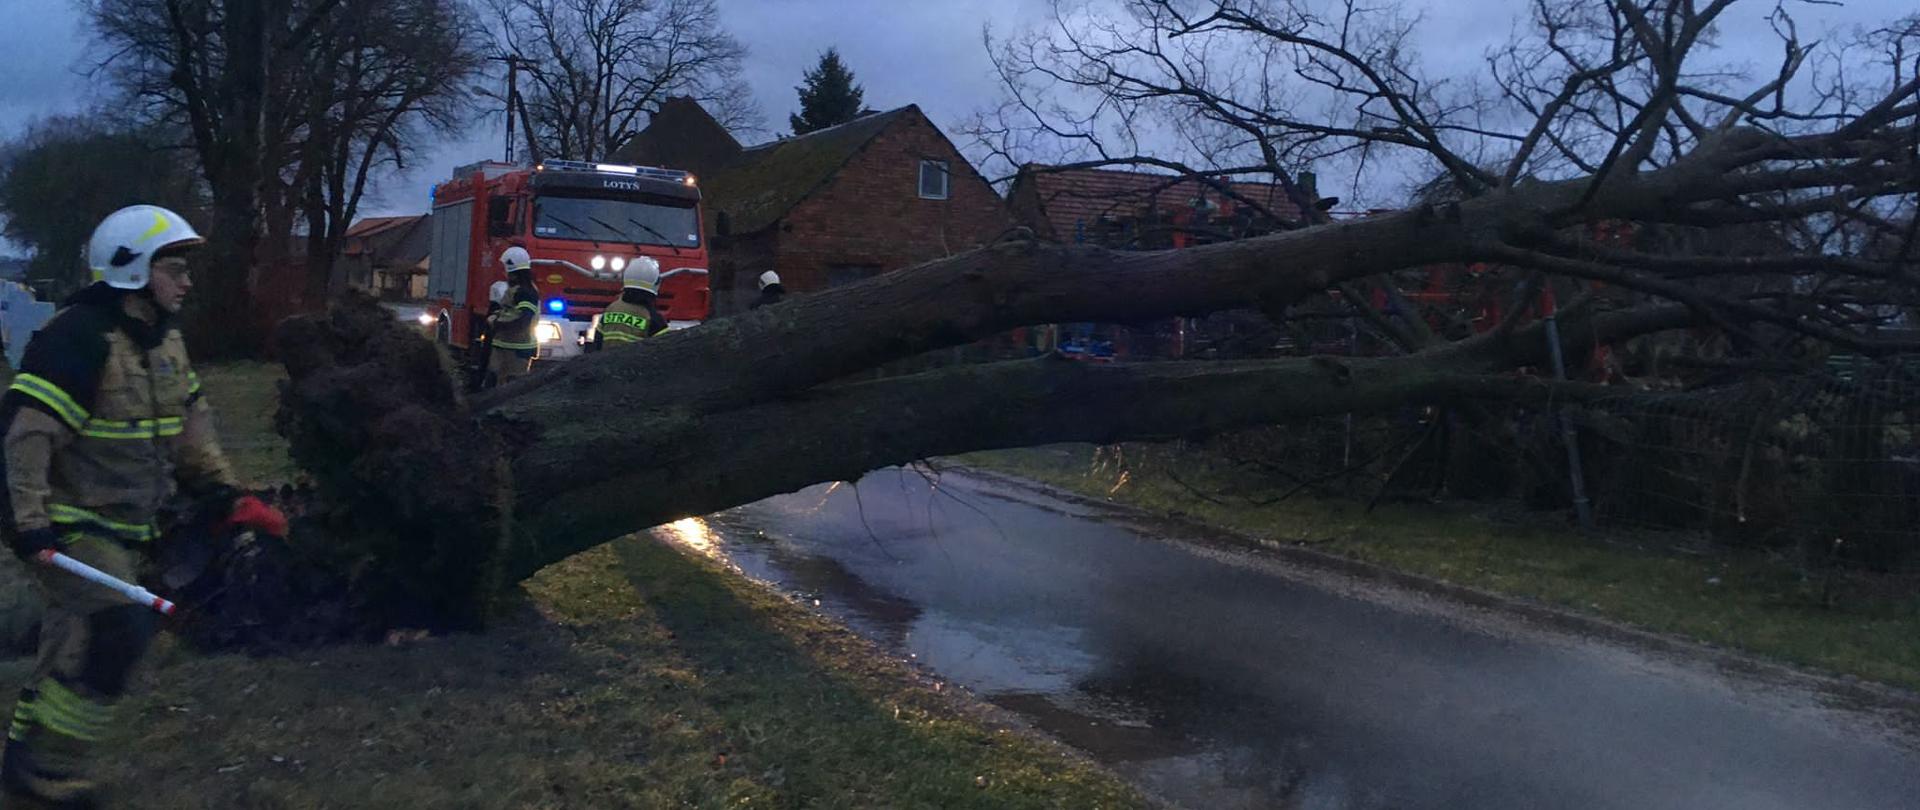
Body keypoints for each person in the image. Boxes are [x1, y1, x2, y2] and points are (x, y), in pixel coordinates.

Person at [0, 205, 288, 808]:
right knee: (121, 628)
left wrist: (227, 495)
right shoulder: (78, 339)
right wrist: (29, 523)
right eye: (174, 269)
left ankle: (23, 759)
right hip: (69, 522)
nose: (187, 282)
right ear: (131, 269)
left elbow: (191, 429)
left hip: (127, 524)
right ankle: (48, 769)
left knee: (70, 647)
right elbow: (26, 437)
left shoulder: (165, 342)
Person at [487, 247, 540, 385]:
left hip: (516, 351)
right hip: (507, 348)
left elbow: (523, 319)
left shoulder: (525, 292)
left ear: (513, 272)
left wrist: (496, 323)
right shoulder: (518, 290)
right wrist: (497, 315)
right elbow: (509, 311)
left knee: (511, 387)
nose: (504, 273)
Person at [593, 258, 668, 349]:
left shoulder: (611, 309)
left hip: (606, 358)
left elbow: (597, 343)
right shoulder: (653, 319)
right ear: (655, 283)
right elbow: (666, 350)